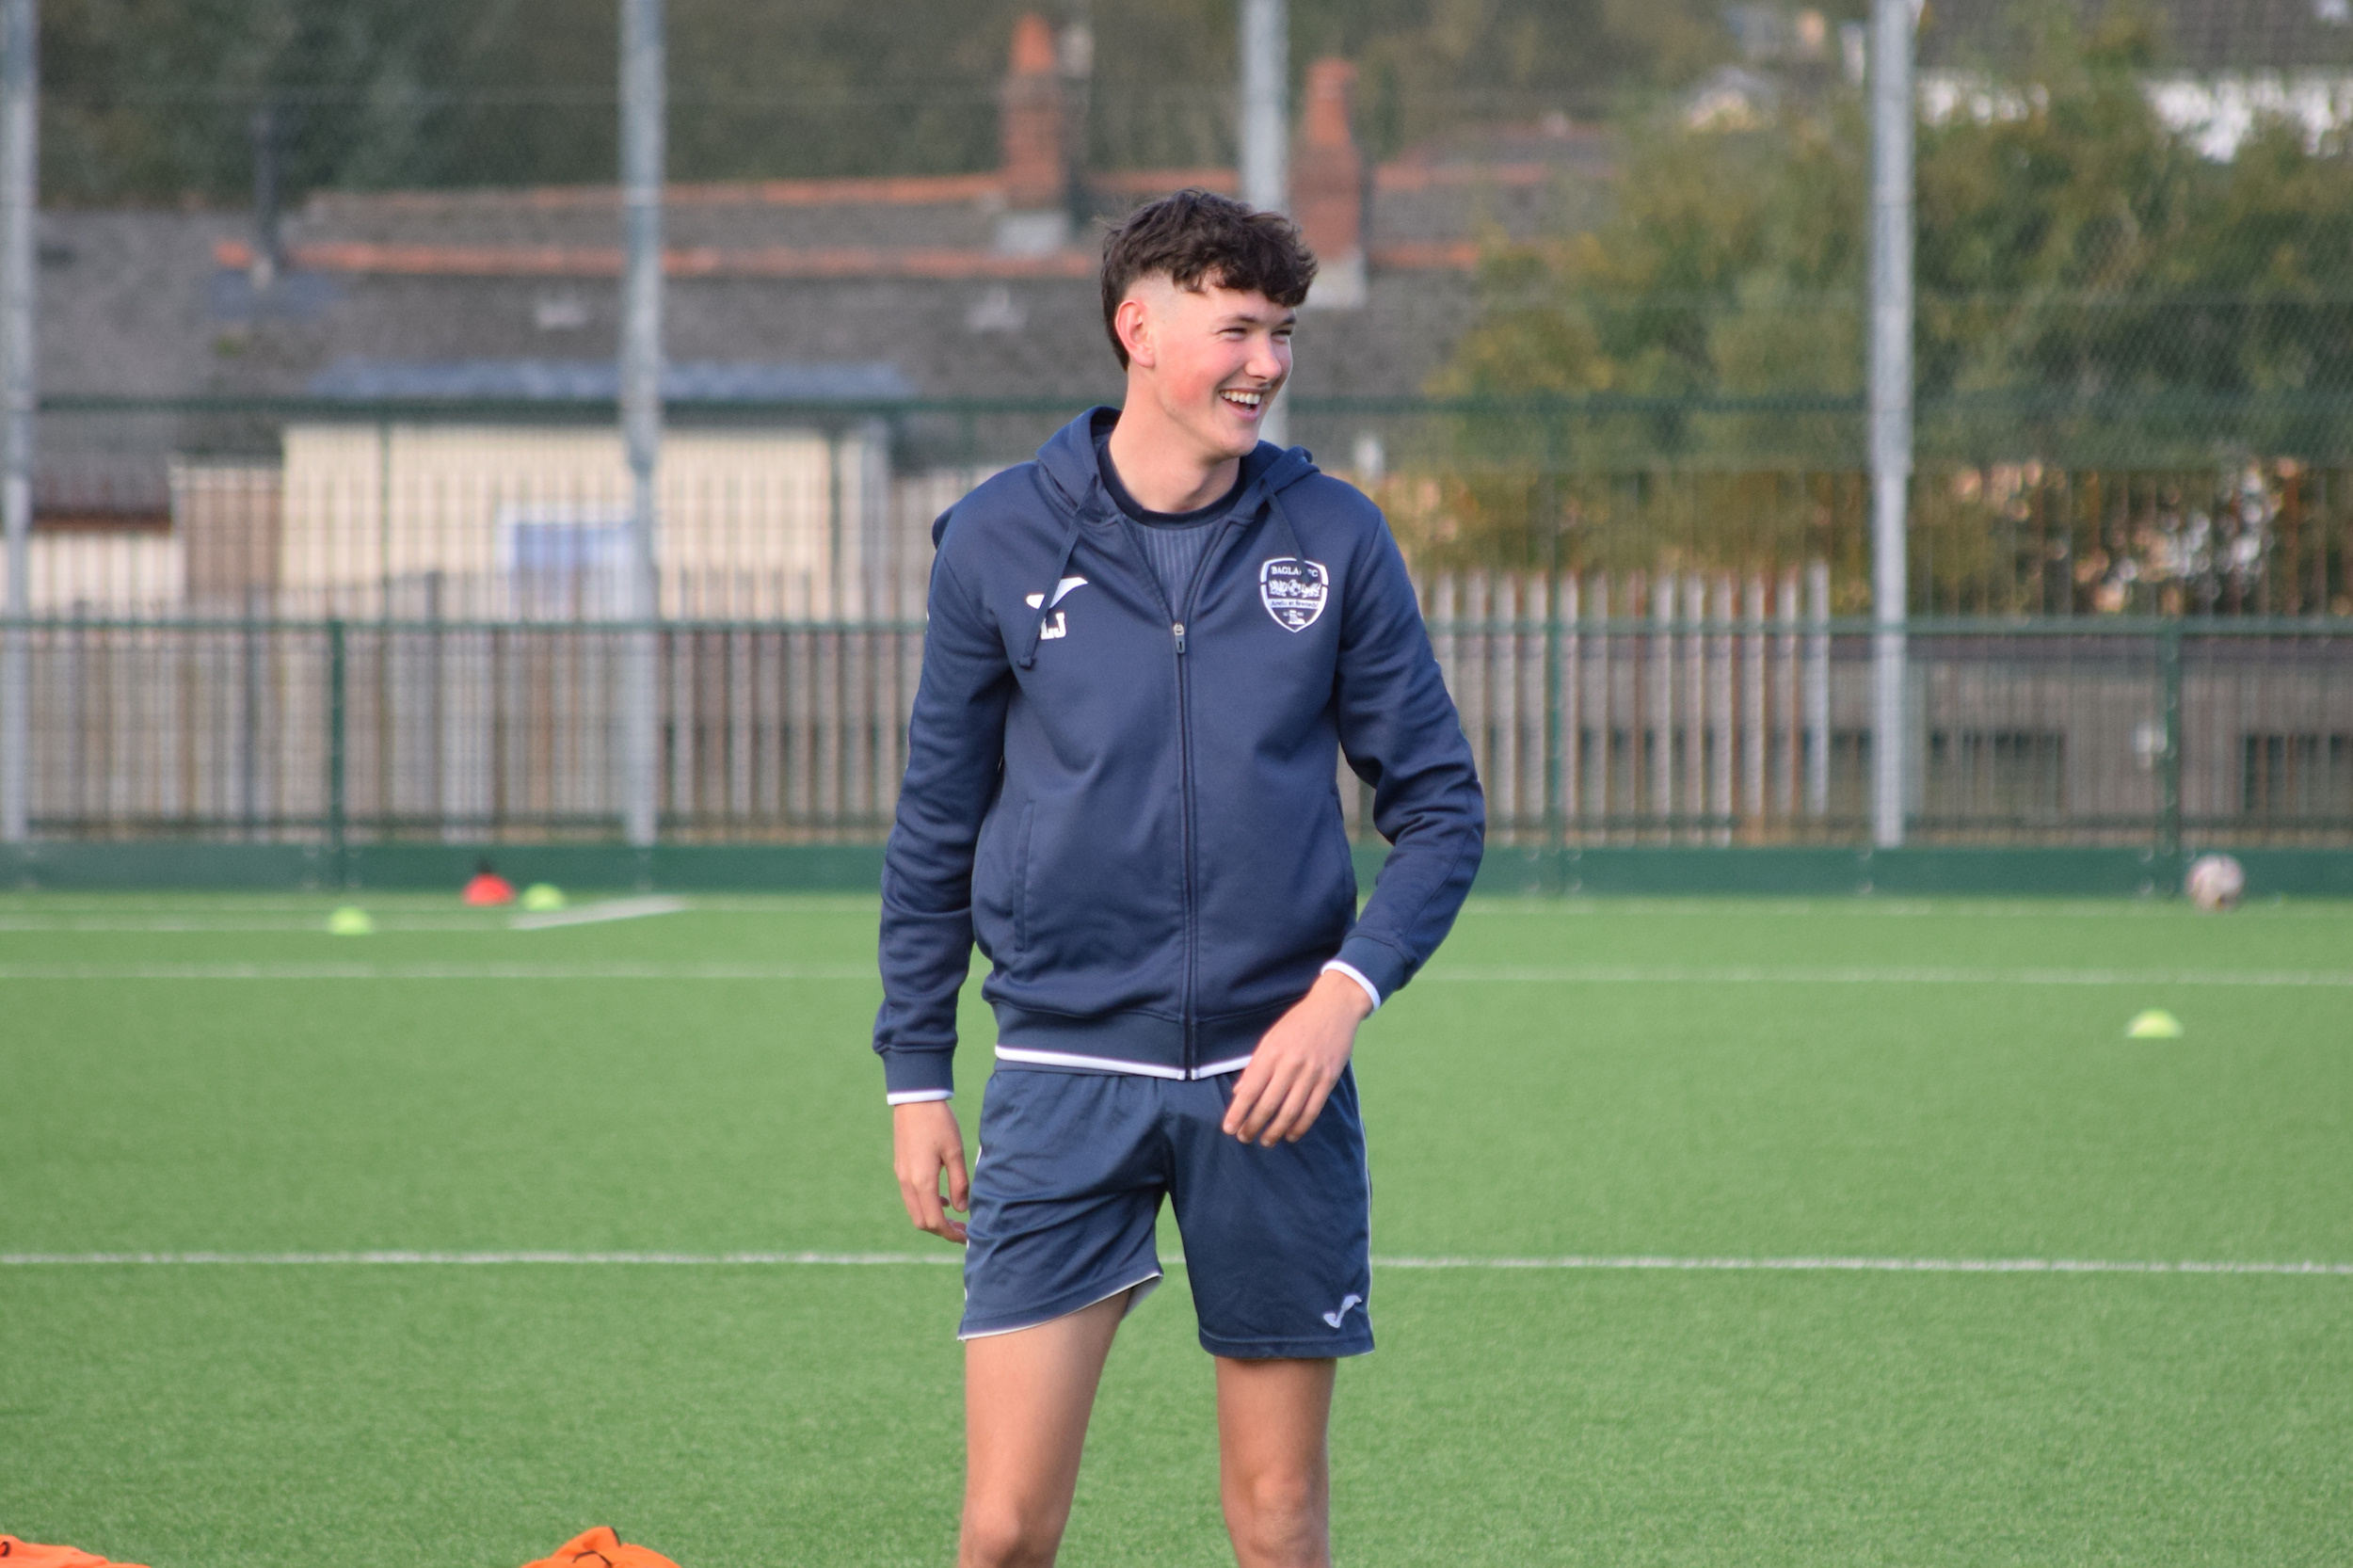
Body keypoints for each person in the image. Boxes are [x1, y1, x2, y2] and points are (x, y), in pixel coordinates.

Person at [873, 188, 1483, 1568]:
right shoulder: (994, 539)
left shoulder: (1337, 538)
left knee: (1277, 1523)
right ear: (1135, 328)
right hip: (1061, 1073)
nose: (1265, 361)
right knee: (1004, 1528)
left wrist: (1342, 997)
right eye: (1235, 328)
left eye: (1280, 332)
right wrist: (917, 1074)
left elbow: (1441, 809)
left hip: (1276, 1088)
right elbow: (936, 822)